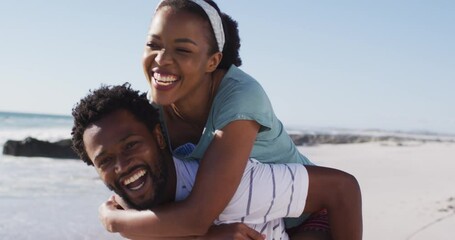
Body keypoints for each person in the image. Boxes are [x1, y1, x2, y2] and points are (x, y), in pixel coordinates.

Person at [71, 84, 362, 240]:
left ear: (159, 137)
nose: (122, 166)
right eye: (105, 160)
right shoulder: (130, 210)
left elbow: (342, 189)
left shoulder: (230, 184)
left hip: (314, 218)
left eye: (131, 145)